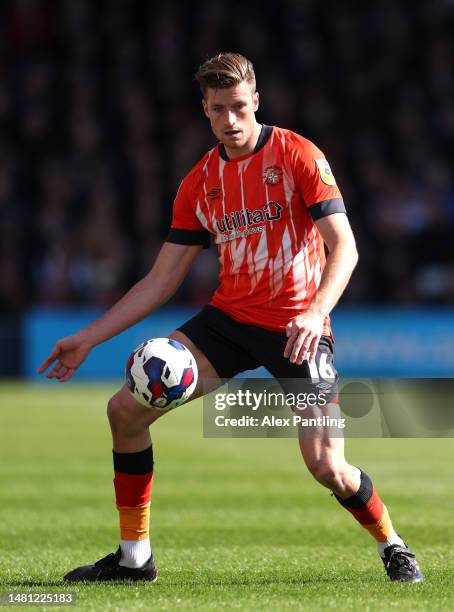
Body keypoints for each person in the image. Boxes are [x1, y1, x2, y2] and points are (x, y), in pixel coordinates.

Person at [38, 52, 423, 583]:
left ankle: (394, 545)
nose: (231, 120)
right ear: (206, 110)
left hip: (297, 328)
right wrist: (85, 338)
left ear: (256, 101)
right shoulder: (199, 183)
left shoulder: (298, 156)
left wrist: (315, 313)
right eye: (219, 110)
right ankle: (134, 558)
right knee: (123, 413)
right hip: (229, 320)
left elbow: (346, 247)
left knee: (327, 467)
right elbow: (159, 281)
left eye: (240, 107)